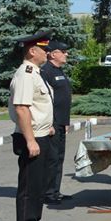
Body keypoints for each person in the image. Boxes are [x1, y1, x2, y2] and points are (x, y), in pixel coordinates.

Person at [9, 30, 58, 221]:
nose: (47, 52)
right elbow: (21, 108)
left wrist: (47, 126)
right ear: (32, 51)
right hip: (32, 139)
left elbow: (38, 106)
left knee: (38, 186)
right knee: (29, 188)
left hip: (41, 135)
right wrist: (30, 140)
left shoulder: (36, 73)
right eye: (44, 49)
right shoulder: (26, 73)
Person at [40, 40, 73, 205]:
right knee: (52, 158)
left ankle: (55, 191)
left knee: (59, 157)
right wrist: (51, 123)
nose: (66, 54)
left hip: (61, 121)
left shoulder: (58, 70)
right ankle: (48, 193)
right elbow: (46, 100)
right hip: (52, 122)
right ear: (53, 54)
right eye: (63, 51)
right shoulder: (45, 71)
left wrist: (65, 122)